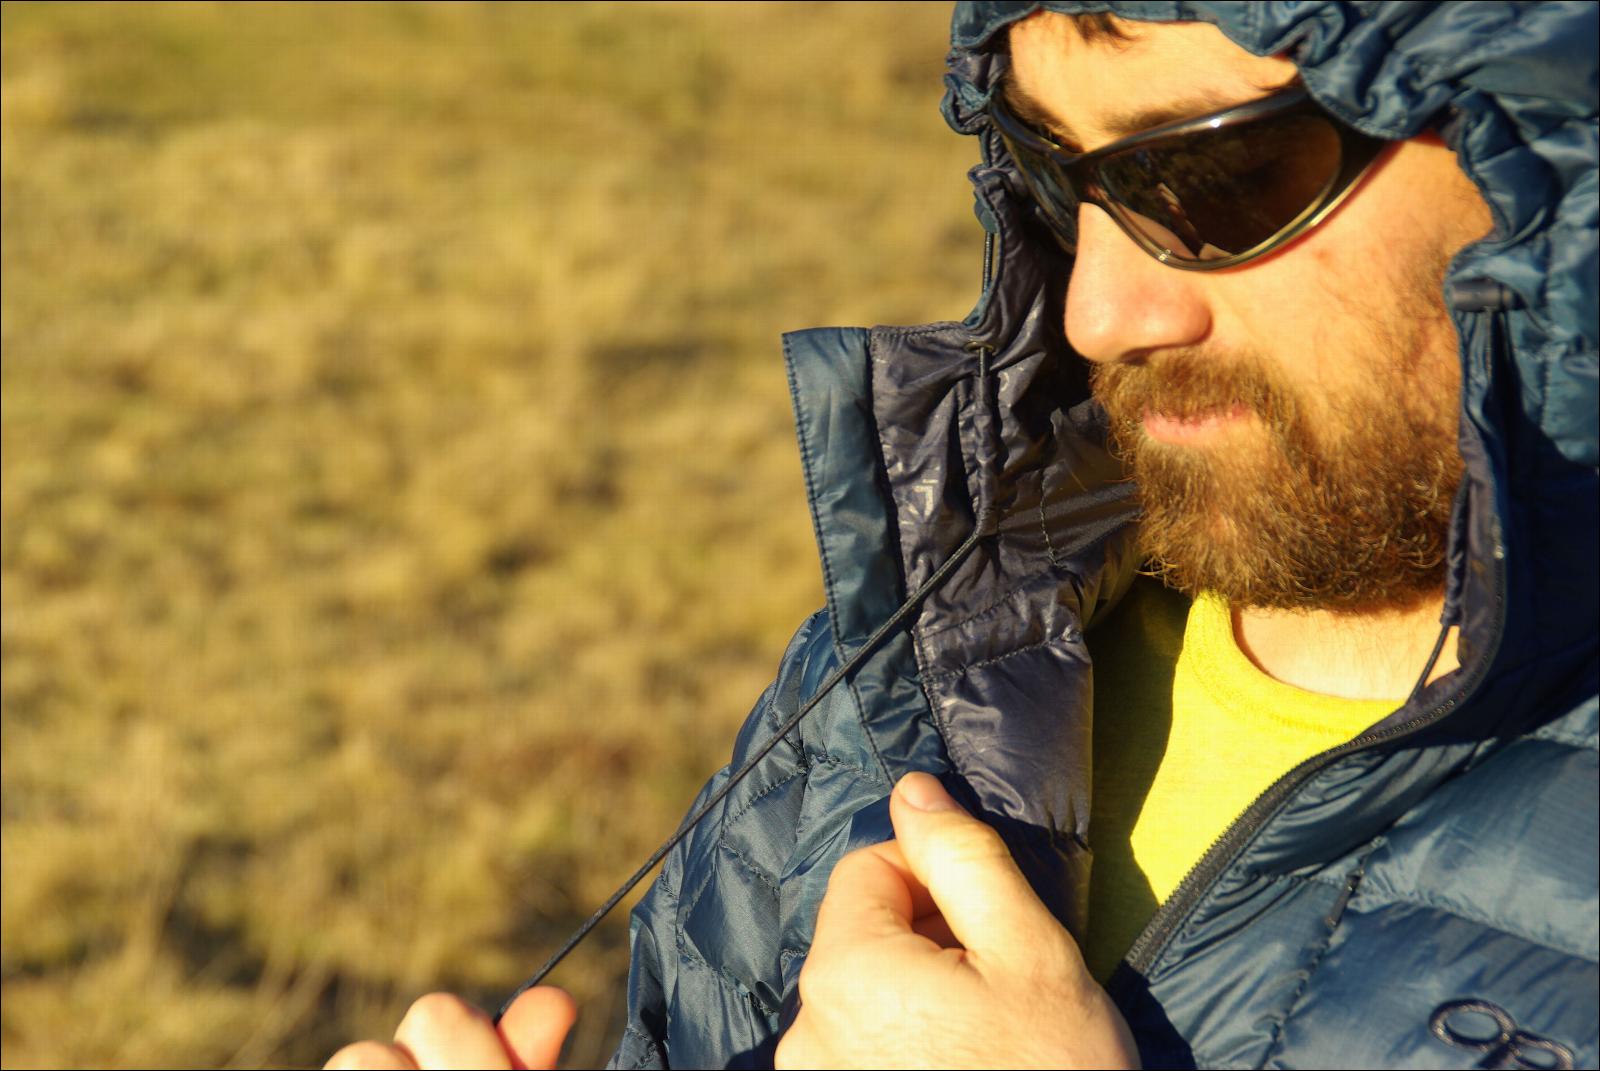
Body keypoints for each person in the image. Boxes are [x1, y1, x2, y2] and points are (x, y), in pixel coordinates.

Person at [327, 3, 1598, 1068]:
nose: (1101, 313)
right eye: (1057, 175)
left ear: (1551, 157)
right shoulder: (931, 658)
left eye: (1217, 177)